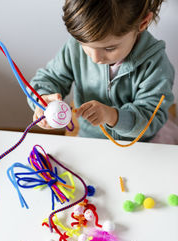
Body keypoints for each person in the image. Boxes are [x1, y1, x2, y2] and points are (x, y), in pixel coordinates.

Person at [27, 0, 174, 141]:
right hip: (90, 139)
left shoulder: (154, 63)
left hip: (141, 143)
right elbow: (49, 79)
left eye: (109, 48)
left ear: (142, 23)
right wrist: (43, 99)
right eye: (83, 44)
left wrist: (113, 116)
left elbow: (151, 118)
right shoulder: (74, 49)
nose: (95, 58)